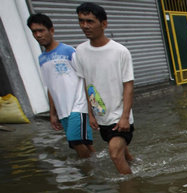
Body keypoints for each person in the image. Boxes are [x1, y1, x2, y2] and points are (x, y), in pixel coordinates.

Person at [74, 2, 134, 175]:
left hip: (119, 116)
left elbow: (128, 85)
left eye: (90, 21)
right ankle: (135, 164)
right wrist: (90, 113)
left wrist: (125, 117)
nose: (85, 26)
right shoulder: (80, 51)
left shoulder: (120, 51)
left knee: (115, 154)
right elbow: (86, 82)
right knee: (122, 153)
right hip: (101, 116)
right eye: (81, 21)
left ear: (104, 24)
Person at [27, 13, 94, 158]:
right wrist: (52, 113)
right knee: (85, 142)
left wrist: (90, 108)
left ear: (51, 30)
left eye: (41, 30)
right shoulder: (42, 59)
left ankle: (90, 173)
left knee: (75, 141)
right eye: (34, 32)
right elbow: (50, 87)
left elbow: (86, 78)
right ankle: (99, 164)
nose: (38, 35)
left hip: (78, 105)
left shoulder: (68, 51)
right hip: (63, 110)